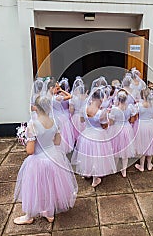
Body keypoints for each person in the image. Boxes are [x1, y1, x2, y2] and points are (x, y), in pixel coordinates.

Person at [14, 95, 78, 224]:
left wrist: (26, 140)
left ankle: (28, 216)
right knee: (51, 185)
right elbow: (58, 141)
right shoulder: (55, 121)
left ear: (36, 108)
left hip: (39, 159)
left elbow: (30, 150)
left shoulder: (33, 124)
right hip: (54, 156)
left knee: (35, 186)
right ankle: (49, 213)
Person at [71, 87, 116, 187]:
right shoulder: (101, 113)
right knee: (97, 157)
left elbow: (82, 121)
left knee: (87, 154)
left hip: (86, 135)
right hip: (98, 136)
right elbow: (104, 126)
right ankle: (95, 180)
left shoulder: (84, 108)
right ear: (100, 99)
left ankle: (86, 172)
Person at [108, 90, 137, 177]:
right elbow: (132, 118)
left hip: (117, 129)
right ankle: (124, 170)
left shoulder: (114, 109)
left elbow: (111, 122)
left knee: (116, 149)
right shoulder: (130, 108)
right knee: (125, 150)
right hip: (127, 128)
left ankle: (115, 168)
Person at [134, 88, 153, 171]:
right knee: (150, 144)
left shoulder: (139, 105)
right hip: (151, 125)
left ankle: (141, 166)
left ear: (143, 95)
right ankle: (149, 164)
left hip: (142, 126)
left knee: (142, 145)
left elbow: (134, 114)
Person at [69, 76, 87, 141]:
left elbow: (71, 110)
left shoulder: (73, 98)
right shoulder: (85, 97)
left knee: (75, 133)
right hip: (83, 117)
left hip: (75, 117)